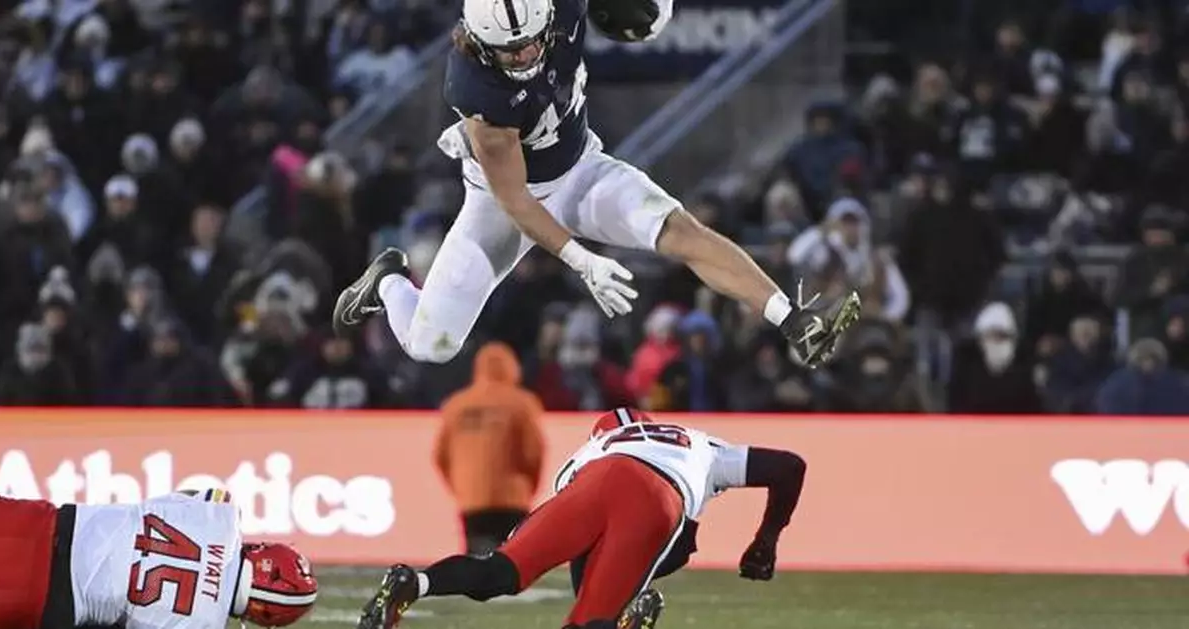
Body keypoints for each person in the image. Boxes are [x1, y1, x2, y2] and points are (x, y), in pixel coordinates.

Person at [331, 0, 860, 370]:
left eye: (530, 44)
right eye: (509, 51)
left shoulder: (556, 9)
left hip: (582, 169)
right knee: (432, 344)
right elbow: (517, 200)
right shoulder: (477, 91)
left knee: (680, 231)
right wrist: (582, 260)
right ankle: (387, 282)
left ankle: (792, 320)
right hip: (505, 200)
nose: (525, 57)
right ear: (478, 43)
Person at [356, 407, 807, 629]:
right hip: (662, 493)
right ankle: (624, 614)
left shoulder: (588, 451)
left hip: (591, 483)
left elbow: (583, 553)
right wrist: (766, 540)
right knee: (599, 612)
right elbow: (790, 466)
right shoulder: (700, 443)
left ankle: (413, 583)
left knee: (500, 570)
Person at [0, 488, 317, 629]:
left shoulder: (223, 516)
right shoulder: (200, 624)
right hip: (42, 598)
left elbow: (189, 497)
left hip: (42, 524)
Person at [436, 342, 546, 555]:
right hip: (513, 496)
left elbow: (440, 456)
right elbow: (534, 452)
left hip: (471, 499)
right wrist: (530, 487)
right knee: (513, 562)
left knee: (476, 563)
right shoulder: (522, 403)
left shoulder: (456, 405)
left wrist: (460, 487)